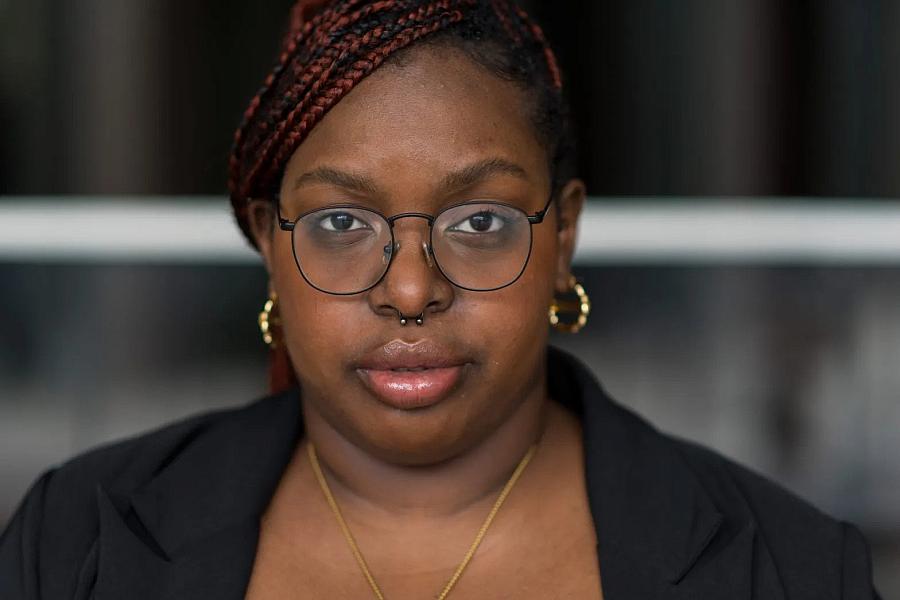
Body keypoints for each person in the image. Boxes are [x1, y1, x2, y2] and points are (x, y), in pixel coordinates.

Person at [0, 1, 882, 598]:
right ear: (271, 243)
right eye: (343, 222)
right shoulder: (79, 541)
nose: (412, 288)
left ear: (561, 239)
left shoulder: (789, 569)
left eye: (481, 221)